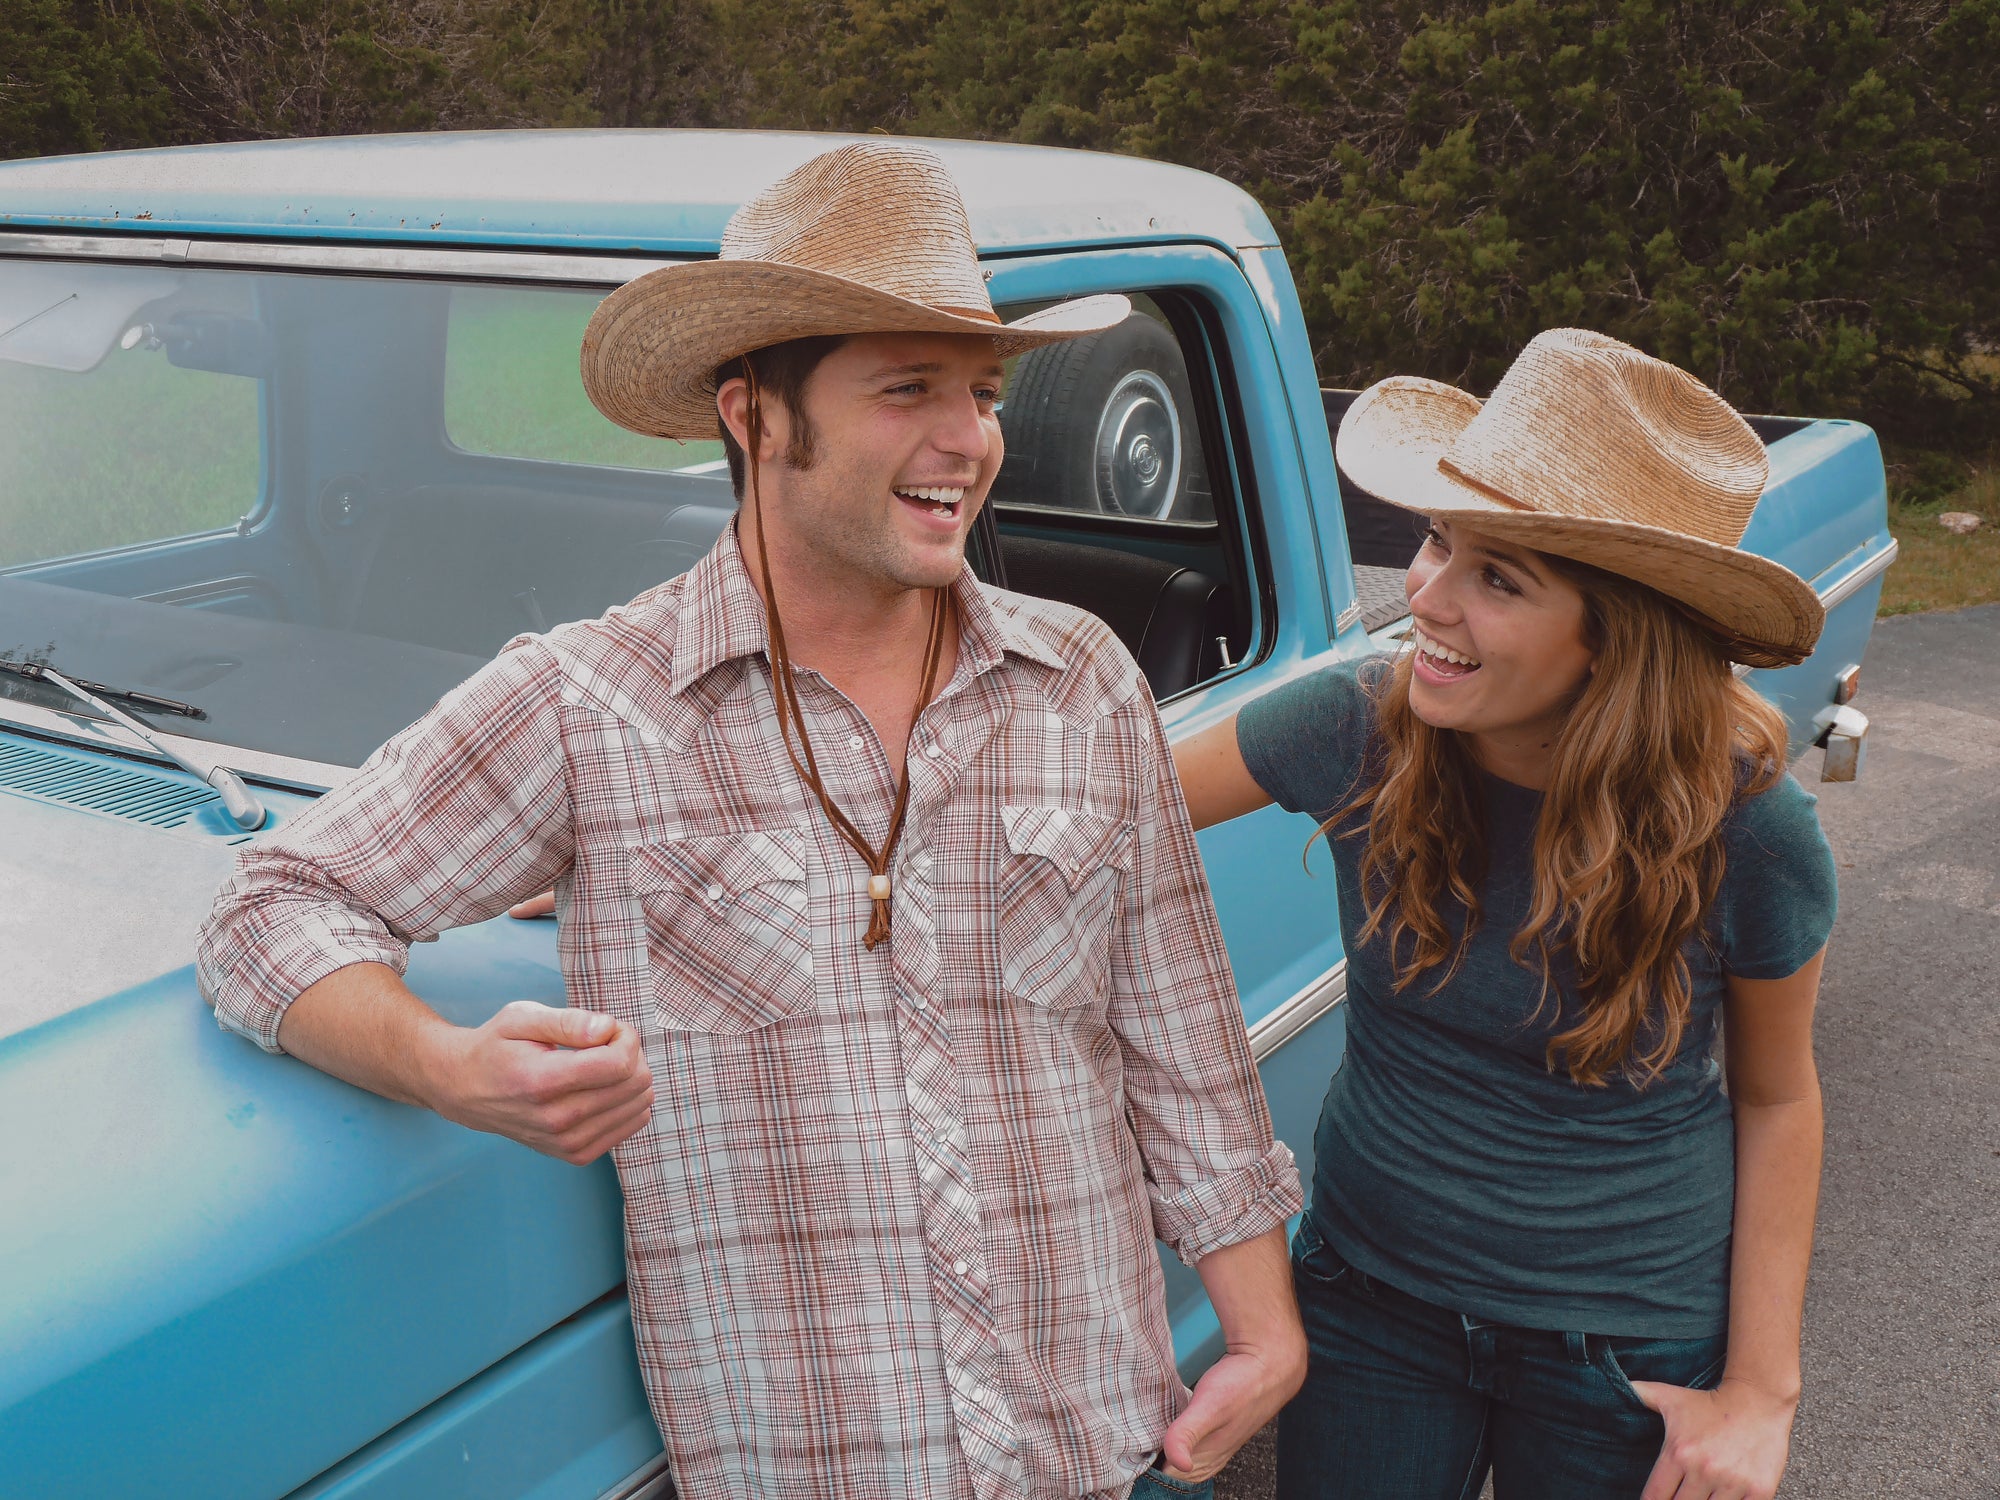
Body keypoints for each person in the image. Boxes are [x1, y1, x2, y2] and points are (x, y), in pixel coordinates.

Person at [196, 142, 1305, 1500]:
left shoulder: (1081, 677)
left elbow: (1180, 1033)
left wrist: (1260, 1329)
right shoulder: (594, 703)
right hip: (808, 1466)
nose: (968, 439)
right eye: (907, 390)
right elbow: (272, 902)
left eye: (982, 391)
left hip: (1081, 1436)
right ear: (755, 415)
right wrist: (446, 1065)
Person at [1173, 329, 1838, 1500]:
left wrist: (1757, 1394)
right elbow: (1105, 793)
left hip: (1621, 1351)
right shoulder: (1355, 728)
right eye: (1438, 541)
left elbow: (1776, 1096)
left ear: (1617, 641)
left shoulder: (1746, 832)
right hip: (1368, 1301)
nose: (1421, 596)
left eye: (1497, 578)